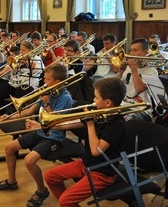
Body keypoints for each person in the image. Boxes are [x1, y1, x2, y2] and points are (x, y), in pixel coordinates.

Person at [0, 63, 72, 207]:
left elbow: (54, 122)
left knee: (29, 160)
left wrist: (46, 102)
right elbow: (28, 112)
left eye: (47, 79)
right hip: (39, 132)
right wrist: (8, 117)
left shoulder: (65, 98)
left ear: (57, 82)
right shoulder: (47, 91)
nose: (43, 82)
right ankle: (11, 182)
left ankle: (41, 191)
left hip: (53, 137)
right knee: (9, 148)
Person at [44, 77, 127, 207]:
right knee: (50, 176)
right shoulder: (99, 113)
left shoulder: (117, 124)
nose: (93, 101)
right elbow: (71, 124)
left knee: (65, 200)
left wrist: (90, 125)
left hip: (102, 172)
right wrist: (46, 125)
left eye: (96, 97)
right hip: (86, 164)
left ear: (107, 102)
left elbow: (96, 151)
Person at [116, 38, 158, 121]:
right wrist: (121, 72)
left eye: (135, 50)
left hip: (142, 110)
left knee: (126, 120)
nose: (131, 53)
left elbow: (139, 89)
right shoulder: (128, 68)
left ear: (145, 52)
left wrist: (133, 68)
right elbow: (115, 85)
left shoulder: (152, 72)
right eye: (131, 50)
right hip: (124, 106)